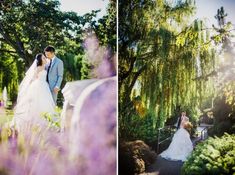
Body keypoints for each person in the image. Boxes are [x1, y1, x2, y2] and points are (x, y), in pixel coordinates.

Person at [12, 53, 56, 130]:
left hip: (44, 86)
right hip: (38, 86)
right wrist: (29, 87)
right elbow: (33, 78)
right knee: (36, 103)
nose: (45, 59)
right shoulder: (38, 68)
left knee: (45, 102)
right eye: (43, 58)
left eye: (45, 58)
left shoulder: (45, 67)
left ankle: (46, 122)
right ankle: (34, 122)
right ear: (40, 60)